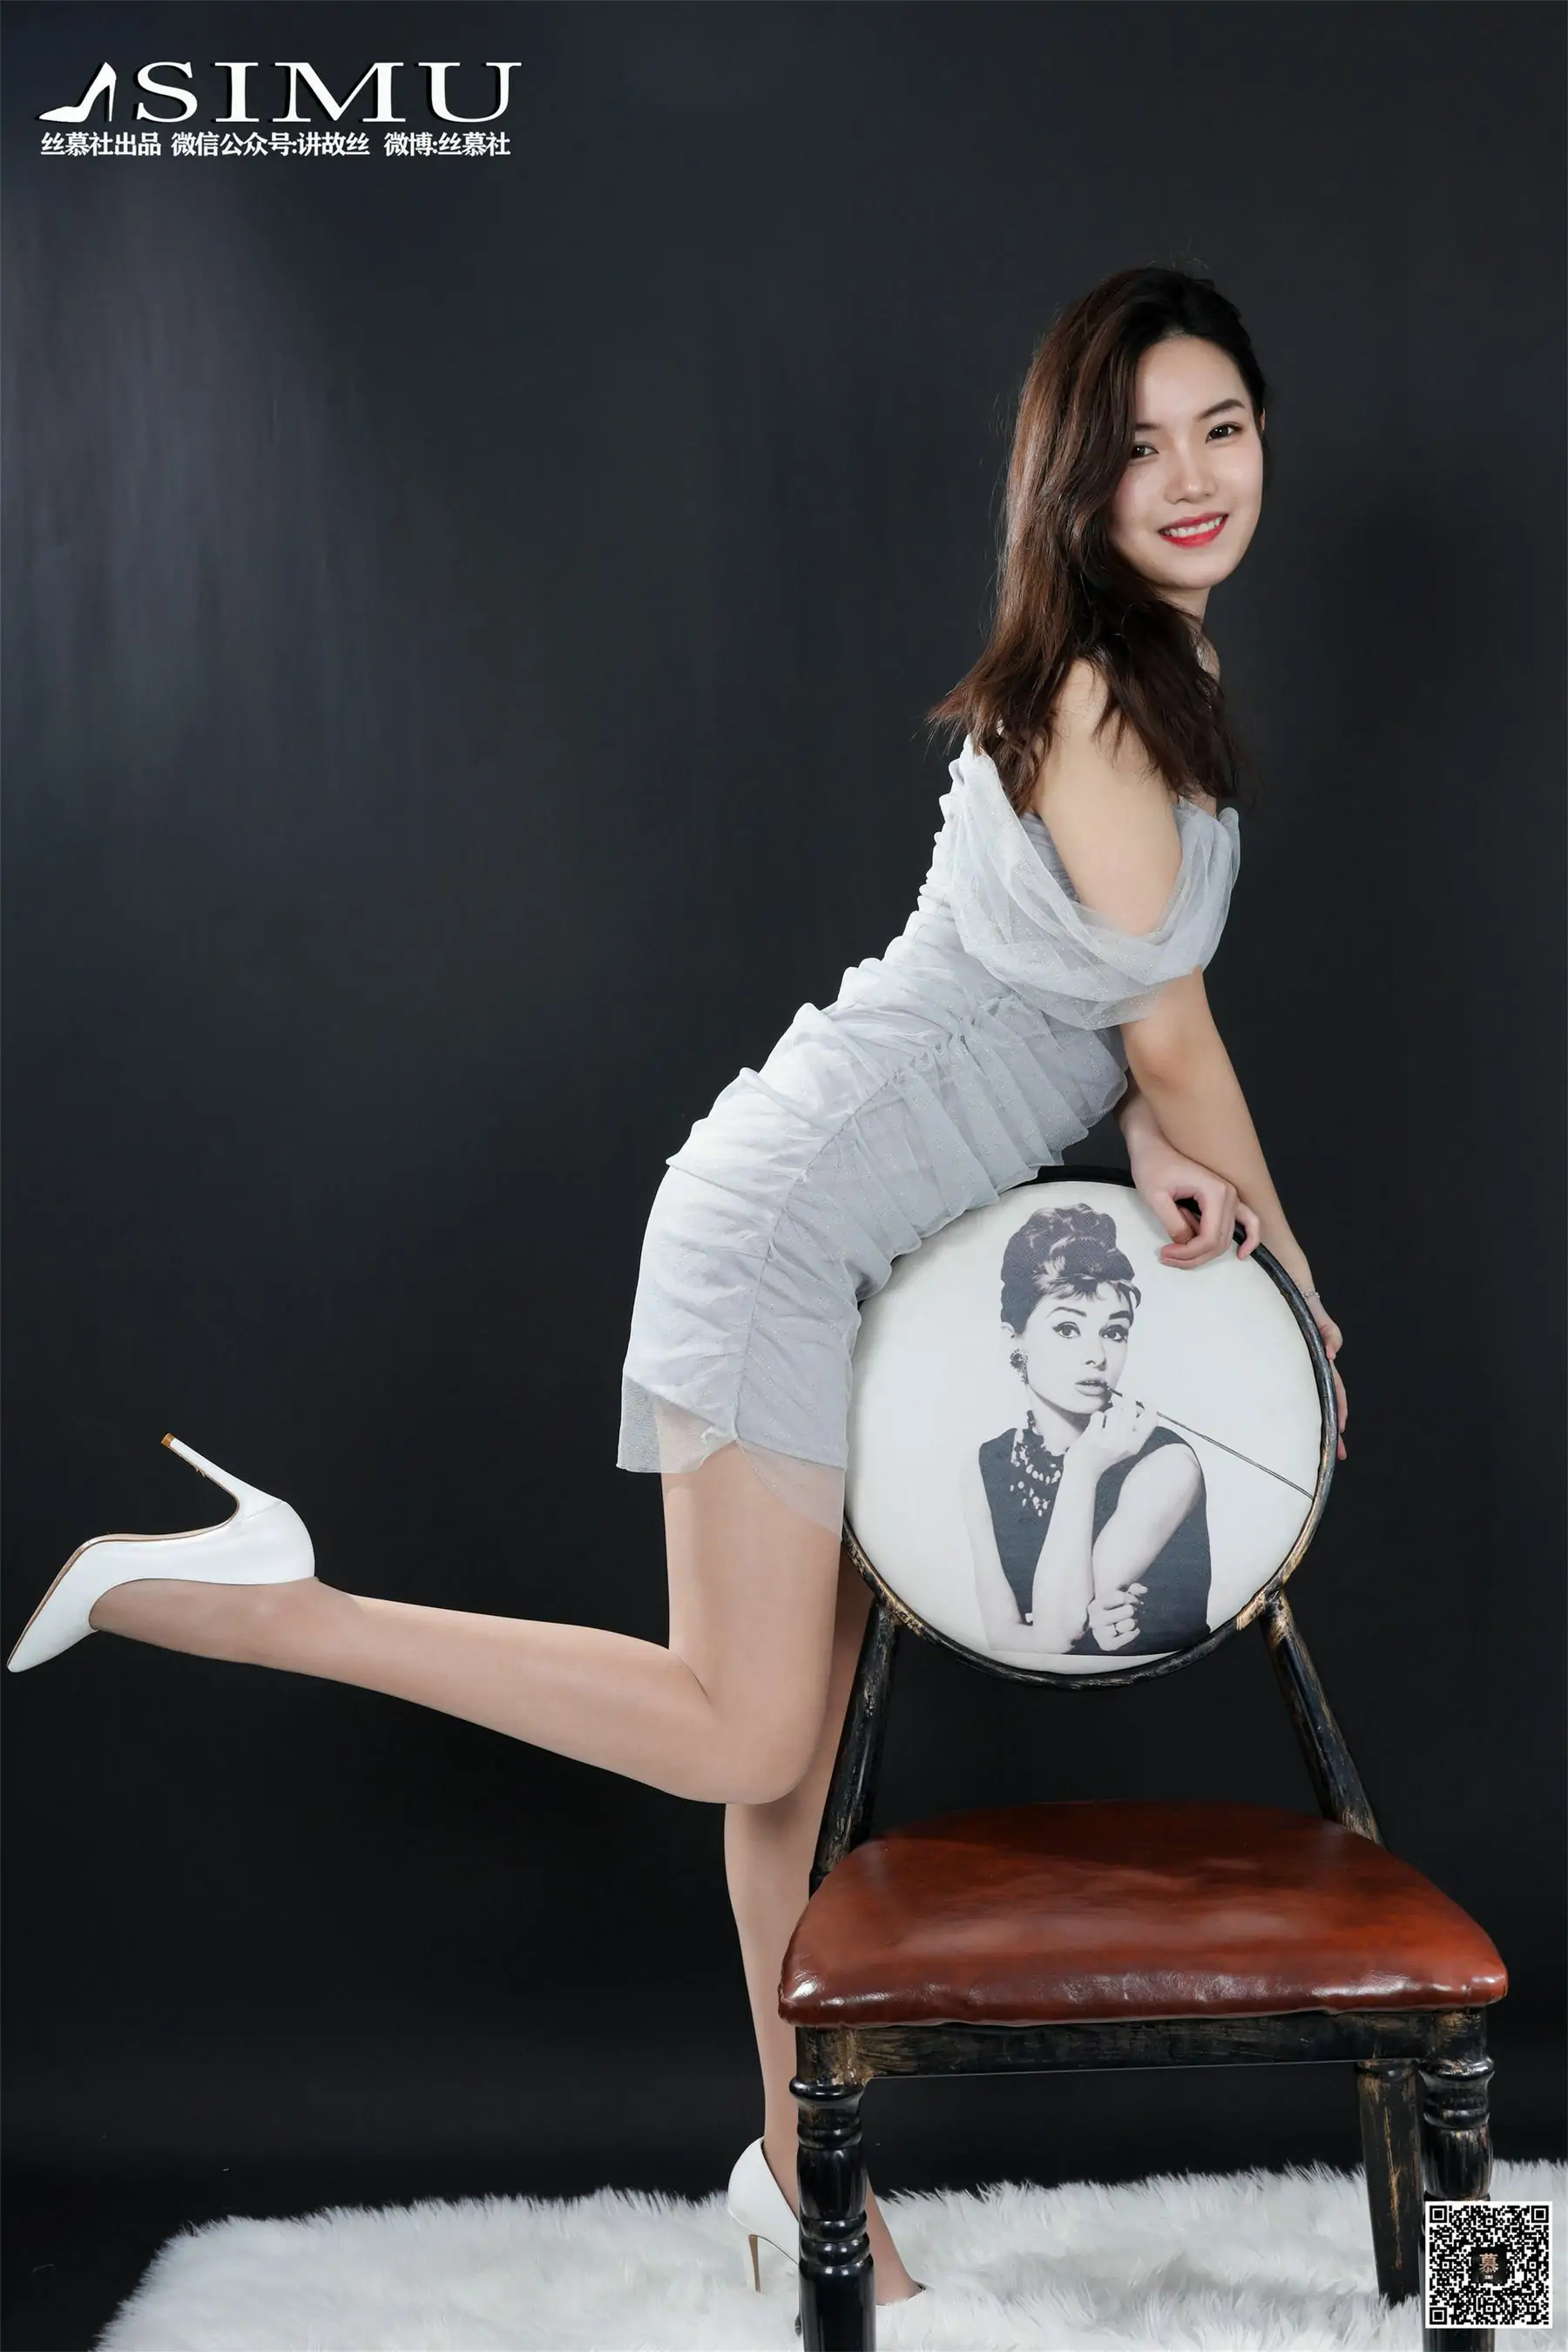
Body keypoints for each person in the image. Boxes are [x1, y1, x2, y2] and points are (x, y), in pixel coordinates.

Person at [7, 263, 1348, 2315]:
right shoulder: (1098, 690)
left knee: (786, 1775)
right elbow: (1163, 1027)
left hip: (849, 1229)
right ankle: (270, 1602)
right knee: (749, 1727)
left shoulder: (1158, 671)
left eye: (1222, 430)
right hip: (785, 1221)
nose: (1191, 476)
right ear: (1069, 486)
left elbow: (1098, 1015)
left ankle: (804, 2186)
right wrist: (1296, 1289)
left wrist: (1154, 1146)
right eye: (1140, 445)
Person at [967, 1201, 1213, 1660]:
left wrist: (1082, 1468)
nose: (1097, 1356)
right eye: (1067, 1328)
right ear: (1014, 1339)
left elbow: (1058, 1634)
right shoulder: (988, 1464)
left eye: (1114, 1332)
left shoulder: (1167, 1466)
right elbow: (1004, 1640)